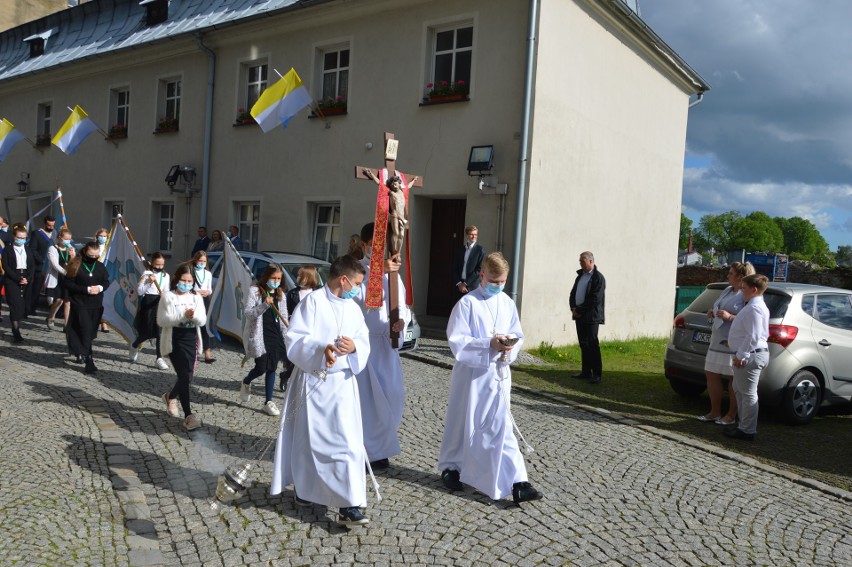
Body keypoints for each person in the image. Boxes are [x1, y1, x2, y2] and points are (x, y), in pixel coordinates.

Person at [270, 255, 373, 527]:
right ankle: (306, 490)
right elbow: (295, 340)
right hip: (314, 383)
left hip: (343, 386)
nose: (358, 290)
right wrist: (321, 350)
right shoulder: (312, 302)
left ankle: (349, 505)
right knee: (309, 441)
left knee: (348, 445)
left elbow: (363, 341)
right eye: (357, 283)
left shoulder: (353, 309)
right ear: (343, 279)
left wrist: (354, 349)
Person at [438, 252, 543, 505]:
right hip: (472, 377)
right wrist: (489, 345)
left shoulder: (506, 303)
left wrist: (509, 347)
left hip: (498, 375)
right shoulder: (467, 304)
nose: (498, 286)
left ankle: (519, 482)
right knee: (463, 422)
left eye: (502, 282)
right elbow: (457, 342)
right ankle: (452, 467)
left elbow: (518, 333)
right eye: (494, 281)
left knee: (501, 427)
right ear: (482, 275)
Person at [353, 222, 409, 469]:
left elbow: (404, 307)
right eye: (375, 248)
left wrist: (401, 323)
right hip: (364, 346)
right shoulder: (357, 273)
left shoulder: (394, 276)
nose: (380, 253)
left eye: (384, 248)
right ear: (364, 246)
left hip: (386, 347)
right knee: (366, 401)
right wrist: (377, 273)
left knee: (392, 397)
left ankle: (381, 446)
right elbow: (356, 305)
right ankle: (365, 451)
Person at [699, 262, 756, 424]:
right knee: (711, 373)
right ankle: (714, 412)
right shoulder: (727, 290)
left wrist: (730, 317)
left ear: (740, 277)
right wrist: (713, 312)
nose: (728, 276)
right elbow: (719, 307)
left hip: (733, 342)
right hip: (717, 338)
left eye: (731, 273)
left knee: (733, 378)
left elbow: (750, 319)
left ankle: (731, 415)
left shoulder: (746, 295)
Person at [158, 264, 207, 431]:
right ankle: (188, 415)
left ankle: (170, 396)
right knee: (184, 376)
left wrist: (193, 317)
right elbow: (162, 320)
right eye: (183, 280)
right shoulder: (168, 297)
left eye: (190, 281)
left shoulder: (196, 298)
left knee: (188, 376)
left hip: (191, 339)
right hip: (174, 339)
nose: (186, 284)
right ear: (176, 280)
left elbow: (202, 320)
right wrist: (182, 316)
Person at [723, 274, 770, 442]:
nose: (742, 291)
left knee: (748, 393)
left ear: (754, 289)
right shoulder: (755, 306)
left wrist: (742, 354)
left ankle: (747, 429)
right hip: (751, 353)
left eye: (744, 288)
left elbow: (754, 335)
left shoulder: (755, 308)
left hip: (751, 355)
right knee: (740, 390)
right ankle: (744, 426)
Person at [240, 263, 289, 416]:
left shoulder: (281, 293)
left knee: (272, 367)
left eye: (279, 278)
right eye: (273, 278)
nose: (276, 281)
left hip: (275, 335)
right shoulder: (255, 291)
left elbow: (284, 317)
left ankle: (268, 401)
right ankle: (247, 381)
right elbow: (248, 313)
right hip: (260, 334)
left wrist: (287, 335)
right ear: (266, 277)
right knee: (261, 367)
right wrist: (264, 305)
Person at [63, 241, 110, 374]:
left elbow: (106, 281)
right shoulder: (76, 265)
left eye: (96, 255)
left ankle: (80, 351)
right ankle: (89, 360)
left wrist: (100, 288)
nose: (94, 258)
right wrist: (86, 289)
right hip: (80, 304)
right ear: (85, 252)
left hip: (96, 305)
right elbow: (68, 283)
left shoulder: (100, 266)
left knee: (89, 333)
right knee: (85, 330)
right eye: (91, 255)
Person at [281, 265, 321, 391]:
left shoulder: (318, 293)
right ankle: (286, 375)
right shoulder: (292, 293)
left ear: (309, 277)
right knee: (295, 360)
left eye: (301, 275)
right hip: (296, 330)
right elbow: (285, 310)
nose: (298, 278)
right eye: (298, 275)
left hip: (313, 331)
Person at [569, 251, 606, 383]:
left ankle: (597, 374)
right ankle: (586, 371)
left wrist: (580, 309)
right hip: (579, 315)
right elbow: (573, 293)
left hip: (591, 316)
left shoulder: (598, 278)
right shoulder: (580, 277)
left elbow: (595, 298)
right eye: (580, 261)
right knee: (583, 344)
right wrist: (573, 308)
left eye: (582, 261)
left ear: (591, 261)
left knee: (592, 344)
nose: (580, 263)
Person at [130, 253, 170, 369]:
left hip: (159, 303)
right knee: (147, 332)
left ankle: (159, 358)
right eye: (157, 264)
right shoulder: (147, 274)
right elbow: (140, 291)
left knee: (159, 333)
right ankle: (135, 345)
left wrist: (165, 294)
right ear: (152, 263)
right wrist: (149, 282)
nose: (159, 266)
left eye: (162, 264)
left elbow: (166, 289)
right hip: (148, 302)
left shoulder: (165, 275)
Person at [1, 225, 35, 342]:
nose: (21, 240)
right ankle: (16, 330)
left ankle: (18, 321)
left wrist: (28, 278)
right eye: (19, 237)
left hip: (25, 277)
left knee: (22, 305)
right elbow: (6, 266)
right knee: (14, 304)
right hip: (12, 279)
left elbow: (32, 265)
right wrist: (17, 278)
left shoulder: (28, 249)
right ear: (14, 237)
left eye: (24, 237)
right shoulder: (8, 249)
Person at [45, 227, 76, 329]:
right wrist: (65, 272)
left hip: (67, 279)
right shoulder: (52, 249)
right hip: (57, 277)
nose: (67, 241)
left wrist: (72, 256)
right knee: (58, 300)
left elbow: (74, 263)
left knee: (67, 301)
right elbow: (55, 265)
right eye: (65, 239)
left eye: (69, 239)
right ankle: (51, 316)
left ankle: (66, 324)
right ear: (60, 237)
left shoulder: (70, 249)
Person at [189, 250, 215, 363]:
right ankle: (193, 349)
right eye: (200, 260)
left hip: (205, 300)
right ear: (195, 260)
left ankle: (207, 351)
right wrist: (196, 292)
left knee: (206, 325)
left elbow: (210, 288)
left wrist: (207, 292)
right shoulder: (190, 271)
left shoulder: (208, 273)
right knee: (193, 324)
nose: (202, 263)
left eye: (204, 261)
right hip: (193, 300)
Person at [28, 215, 56, 315]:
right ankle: (31, 308)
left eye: (53, 225)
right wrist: (42, 261)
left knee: (52, 289)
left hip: (53, 267)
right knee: (36, 289)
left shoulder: (56, 235)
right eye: (49, 225)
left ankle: (54, 311)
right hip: (41, 266)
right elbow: (33, 249)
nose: (51, 227)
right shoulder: (37, 234)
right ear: (45, 224)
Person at [452, 225, 485, 300]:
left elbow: (478, 270)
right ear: (466, 235)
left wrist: (465, 284)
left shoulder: (480, 250)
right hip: (459, 286)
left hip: (473, 287)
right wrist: (459, 284)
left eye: (476, 234)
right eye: (471, 234)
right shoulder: (460, 250)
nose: (474, 236)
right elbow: (454, 268)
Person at [95, 227, 110, 333]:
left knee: (105, 300)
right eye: (101, 236)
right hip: (94, 274)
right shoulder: (93, 247)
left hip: (105, 275)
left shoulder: (109, 248)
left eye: (105, 236)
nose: (103, 238)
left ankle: (104, 322)